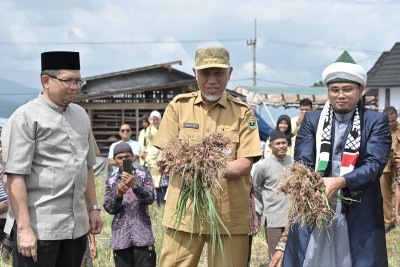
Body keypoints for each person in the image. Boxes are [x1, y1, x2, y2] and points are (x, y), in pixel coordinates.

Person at [154, 45, 262, 267]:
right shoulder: (178, 107)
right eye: (205, 73)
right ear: (195, 73)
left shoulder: (243, 112)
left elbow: (246, 162)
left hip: (228, 216)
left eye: (218, 73)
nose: (212, 80)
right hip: (184, 214)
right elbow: (166, 154)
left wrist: (210, 169)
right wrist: (176, 163)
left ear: (229, 73)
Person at [281, 50, 391, 267]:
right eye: (335, 90)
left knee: (355, 259)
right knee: (312, 258)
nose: (341, 95)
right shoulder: (312, 120)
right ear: (328, 91)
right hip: (317, 205)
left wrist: (341, 182)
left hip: (359, 207)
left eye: (347, 89)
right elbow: (302, 161)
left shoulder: (375, 121)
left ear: (360, 90)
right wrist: (313, 183)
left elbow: (374, 164)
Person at [1, 51, 103, 267]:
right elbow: (15, 176)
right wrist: (24, 228)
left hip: (76, 227)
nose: (75, 86)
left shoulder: (81, 115)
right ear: (46, 81)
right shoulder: (25, 117)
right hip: (40, 229)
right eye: (68, 80)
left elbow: (87, 167)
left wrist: (93, 208)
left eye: (78, 81)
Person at [103, 142, 156, 267]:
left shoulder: (144, 175)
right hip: (121, 238)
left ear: (132, 157)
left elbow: (150, 198)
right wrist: (118, 195)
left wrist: (135, 186)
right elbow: (109, 208)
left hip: (142, 236)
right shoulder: (111, 181)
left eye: (126, 157)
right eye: (119, 158)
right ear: (115, 160)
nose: (123, 160)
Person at [253, 130, 293, 261]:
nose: (281, 146)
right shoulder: (262, 166)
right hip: (273, 219)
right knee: (275, 258)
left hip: (292, 220)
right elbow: (256, 188)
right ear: (270, 147)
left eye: (284, 143)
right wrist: (268, 202)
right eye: (278, 143)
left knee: (291, 257)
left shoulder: (294, 163)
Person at [380, 106, 398, 233]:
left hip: (397, 165)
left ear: (396, 116)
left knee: (397, 193)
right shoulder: (380, 130)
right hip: (385, 165)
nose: (391, 123)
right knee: (385, 194)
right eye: (388, 121)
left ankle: (397, 218)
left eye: (393, 120)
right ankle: (388, 221)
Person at [144, 110, 166, 207]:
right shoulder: (150, 129)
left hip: (162, 153)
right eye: (154, 119)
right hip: (153, 154)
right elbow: (147, 135)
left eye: (157, 119)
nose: (155, 121)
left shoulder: (162, 129)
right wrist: (150, 124)